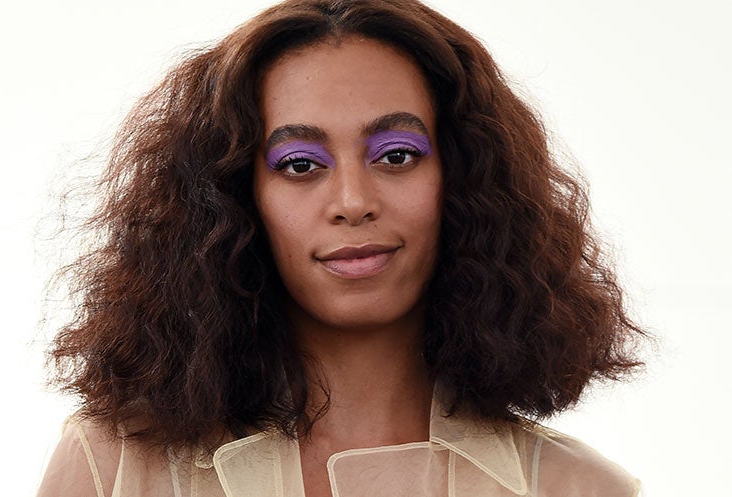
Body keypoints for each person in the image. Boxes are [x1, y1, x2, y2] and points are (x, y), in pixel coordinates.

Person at [37, 0, 646, 496]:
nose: (353, 201)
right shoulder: (112, 465)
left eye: (397, 155)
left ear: (464, 180)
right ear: (236, 197)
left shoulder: (577, 490)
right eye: (300, 164)